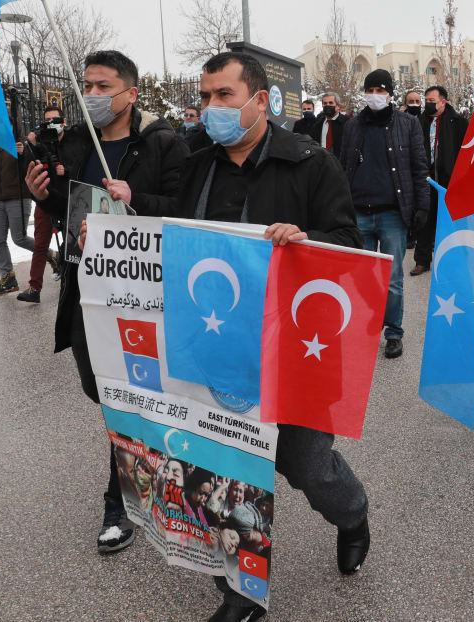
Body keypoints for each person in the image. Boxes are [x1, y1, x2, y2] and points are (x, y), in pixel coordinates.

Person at [174, 51, 371, 622]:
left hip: (295, 350)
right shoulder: (197, 164)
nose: (211, 108)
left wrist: (306, 241)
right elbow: (172, 225)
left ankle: (352, 512)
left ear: (260, 101)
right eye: (206, 96)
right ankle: (243, 588)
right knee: (229, 467)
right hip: (219, 350)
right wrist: (121, 208)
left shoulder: (310, 164)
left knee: (305, 463)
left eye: (224, 96)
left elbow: (352, 247)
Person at [24, 49, 189, 555]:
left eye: (103, 86)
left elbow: (182, 212)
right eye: (87, 86)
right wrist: (41, 194)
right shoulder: (76, 142)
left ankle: (122, 502)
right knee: (101, 390)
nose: (92, 95)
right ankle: (148, 466)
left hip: (143, 298)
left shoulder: (163, 144)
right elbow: (67, 203)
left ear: (131, 93)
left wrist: (135, 198)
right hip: (84, 293)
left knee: (128, 398)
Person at [340, 68, 429, 359]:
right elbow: (344, 167)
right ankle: (367, 328)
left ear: (390, 94)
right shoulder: (353, 126)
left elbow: (419, 167)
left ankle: (393, 332)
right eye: (371, 91)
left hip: (392, 214)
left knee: (392, 279)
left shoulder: (407, 124)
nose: (375, 96)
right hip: (359, 213)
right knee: (363, 278)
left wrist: (421, 206)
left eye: (380, 91)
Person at [410, 84, 468, 276]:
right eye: (426, 101)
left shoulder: (458, 122)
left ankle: (453, 260)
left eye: (432, 102)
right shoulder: (419, 121)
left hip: (448, 179)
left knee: (450, 221)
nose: (428, 105)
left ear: (443, 102)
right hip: (425, 178)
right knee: (425, 221)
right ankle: (422, 260)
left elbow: (465, 152)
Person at [17, 106, 63, 303]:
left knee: (74, 241)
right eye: (46, 120)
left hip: (68, 197)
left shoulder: (71, 141)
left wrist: (65, 169)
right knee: (40, 242)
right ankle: (34, 287)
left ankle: (74, 280)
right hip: (45, 197)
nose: (51, 124)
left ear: (63, 122)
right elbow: (27, 170)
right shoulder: (37, 143)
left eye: (55, 120)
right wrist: (29, 148)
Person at [0, 127, 34, 296]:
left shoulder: (21, 143)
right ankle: (8, 278)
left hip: (18, 197)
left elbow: (31, 165)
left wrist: (23, 154)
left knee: (19, 238)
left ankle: (53, 256)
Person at [309, 92, 347, 158]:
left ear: (338, 106)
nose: (327, 105)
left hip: (340, 165)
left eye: (330, 103)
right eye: (325, 103)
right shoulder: (317, 125)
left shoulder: (347, 123)